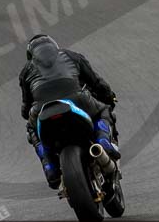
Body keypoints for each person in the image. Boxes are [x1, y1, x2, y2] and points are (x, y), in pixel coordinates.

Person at [19, 34, 119, 189]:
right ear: (55, 47)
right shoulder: (71, 56)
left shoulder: (26, 71)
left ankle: (49, 166)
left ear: (31, 55)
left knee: (32, 128)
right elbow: (96, 82)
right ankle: (103, 141)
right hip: (77, 99)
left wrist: (27, 114)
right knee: (103, 110)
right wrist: (108, 96)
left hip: (42, 109)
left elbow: (26, 105)